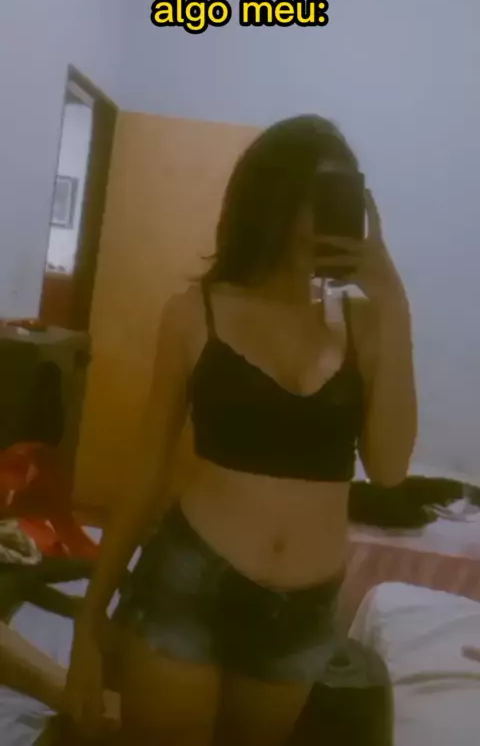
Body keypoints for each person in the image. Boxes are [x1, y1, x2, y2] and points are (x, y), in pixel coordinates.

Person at [64, 115, 417, 745]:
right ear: (274, 199)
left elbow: (389, 469)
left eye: (343, 193)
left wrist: (394, 302)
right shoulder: (194, 314)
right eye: (318, 193)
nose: (332, 213)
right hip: (192, 584)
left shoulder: (365, 323)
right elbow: (148, 468)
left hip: (301, 615)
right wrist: (89, 620)